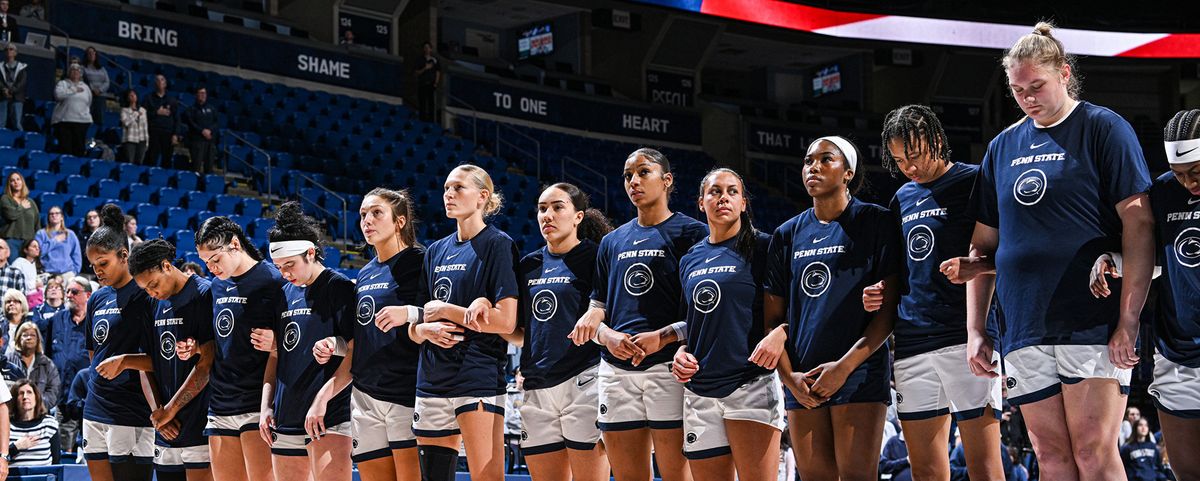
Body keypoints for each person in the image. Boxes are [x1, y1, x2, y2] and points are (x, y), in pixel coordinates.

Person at [960, 22, 1154, 480]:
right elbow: (983, 246)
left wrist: (1129, 319)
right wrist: (976, 330)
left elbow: (1140, 224)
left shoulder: (1104, 128)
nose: (1027, 97)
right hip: (1023, 322)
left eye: (1037, 85)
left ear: (1065, 73)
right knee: (1050, 456)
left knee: (1093, 451)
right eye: (1017, 89)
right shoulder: (1002, 146)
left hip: (1090, 316)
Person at [867, 105, 1005, 480]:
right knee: (925, 469)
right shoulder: (901, 198)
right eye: (899, 160)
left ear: (936, 139)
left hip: (965, 337)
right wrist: (880, 291)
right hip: (911, 341)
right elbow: (902, 270)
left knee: (985, 466)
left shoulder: (975, 181)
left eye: (913, 155)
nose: (909, 167)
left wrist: (976, 266)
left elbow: (1009, 251)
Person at [753, 136, 900, 481]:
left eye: (825, 160)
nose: (813, 167)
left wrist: (844, 368)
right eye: (807, 161)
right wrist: (790, 381)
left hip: (858, 371)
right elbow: (773, 321)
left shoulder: (875, 221)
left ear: (848, 173)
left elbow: (889, 311)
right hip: (802, 376)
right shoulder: (787, 234)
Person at [566, 148, 706, 481]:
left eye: (644, 172)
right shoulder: (611, 242)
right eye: (628, 175)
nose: (634, 181)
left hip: (670, 368)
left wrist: (665, 336)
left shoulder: (693, 234)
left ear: (667, 180)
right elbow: (597, 310)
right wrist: (608, 336)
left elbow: (704, 312)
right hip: (616, 372)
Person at [1091, 108, 1200, 480]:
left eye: (1196, 172)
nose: (1188, 182)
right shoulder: (1164, 192)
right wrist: (1115, 260)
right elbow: (1154, 259)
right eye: (1180, 173)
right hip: (1178, 352)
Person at [668, 168, 783, 481]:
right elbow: (689, 322)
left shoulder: (765, 248)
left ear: (744, 203)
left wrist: (781, 334)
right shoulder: (689, 258)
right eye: (715, 192)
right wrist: (681, 352)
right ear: (701, 203)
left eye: (732, 192)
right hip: (700, 390)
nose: (723, 198)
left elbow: (793, 309)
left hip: (750, 384)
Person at [410, 164, 519, 481]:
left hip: (476, 375)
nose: (449, 194)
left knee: (486, 475)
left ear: (482, 196)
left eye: (458, 188)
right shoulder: (435, 251)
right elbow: (416, 325)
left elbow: (507, 321)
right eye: (446, 188)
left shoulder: (498, 245)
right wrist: (424, 330)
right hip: (430, 379)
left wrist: (446, 310)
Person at [307, 188, 423, 481]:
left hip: (408, 394)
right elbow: (361, 343)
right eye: (362, 215)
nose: (367, 221)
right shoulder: (366, 274)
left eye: (376, 213)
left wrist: (411, 314)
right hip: (365, 397)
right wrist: (328, 388)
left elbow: (436, 315)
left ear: (399, 221)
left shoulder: (422, 262)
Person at [506, 182, 611, 481]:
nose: (547, 215)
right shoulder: (529, 265)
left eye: (557, 207)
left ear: (578, 216)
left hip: (584, 382)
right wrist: (496, 325)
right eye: (542, 209)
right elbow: (525, 332)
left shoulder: (597, 258)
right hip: (537, 387)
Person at [251, 202, 353, 481]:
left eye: (290, 265)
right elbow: (275, 355)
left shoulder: (339, 287)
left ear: (311, 252)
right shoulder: (283, 293)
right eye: (280, 267)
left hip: (328, 413)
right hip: (286, 415)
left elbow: (354, 348)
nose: (285, 273)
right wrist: (266, 407)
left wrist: (335, 346)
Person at [101, 238, 215, 481]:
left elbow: (206, 365)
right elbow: (150, 364)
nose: (152, 292)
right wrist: (158, 414)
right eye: (146, 289)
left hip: (199, 421)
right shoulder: (152, 303)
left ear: (166, 266)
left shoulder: (204, 294)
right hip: (165, 427)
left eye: (153, 284)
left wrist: (170, 410)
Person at [182, 215, 282, 481]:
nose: (212, 267)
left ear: (235, 244)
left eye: (215, 259)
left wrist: (278, 343)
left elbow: (297, 339)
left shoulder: (273, 280)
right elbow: (218, 341)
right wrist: (195, 347)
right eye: (206, 262)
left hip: (257, 404)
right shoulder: (216, 286)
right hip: (220, 405)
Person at [82, 204, 155, 481]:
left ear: (124, 256)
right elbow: (94, 353)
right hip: (95, 406)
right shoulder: (97, 298)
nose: (98, 272)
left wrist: (124, 363)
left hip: (133, 410)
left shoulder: (146, 295)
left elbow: (159, 358)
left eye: (103, 264)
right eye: (93, 266)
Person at [45, 276, 90, 452]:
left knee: (91, 454)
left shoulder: (96, 322)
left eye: (74, 292)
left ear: (88, 295)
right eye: (68, 291)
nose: (69, 295)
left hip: (90, 400)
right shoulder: (56, 321)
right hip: (63, 400)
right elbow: (47, 357)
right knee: (64, 453)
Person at [7, 321, 59, 407]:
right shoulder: (8, 360)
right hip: (12, 412)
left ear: (38, 340)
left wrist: (36, 404)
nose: (29, 338)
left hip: (40, 414)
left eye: (32, 335)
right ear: (19, 339)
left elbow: (53, 391)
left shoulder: (47, 364)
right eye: (25, 335)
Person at [7, 380, 58, 466]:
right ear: (14, 399)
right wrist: (16, 447)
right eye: (21, 393)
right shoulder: (5, 425)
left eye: (29, 392)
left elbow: (56, 461)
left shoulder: (49, 424)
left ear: (36, 397)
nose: (25, 396)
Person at [52, 63, 93, 157]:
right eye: (73, 69)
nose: (75, 72)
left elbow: (89, 102)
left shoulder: (86, 87)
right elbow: (58, 96)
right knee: (66, 149)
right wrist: (73, 90)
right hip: (64, 121)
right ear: (69, 72)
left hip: (81, 122)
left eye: (78, 70)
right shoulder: (62, 84)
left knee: (79, 149)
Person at [36, 206, 82, 283]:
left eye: (57, 213)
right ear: (48, 217)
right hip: (47, 274)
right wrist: (55, 241)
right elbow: (38, 252)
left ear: (62, 217)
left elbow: (76, 255)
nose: (54, 215)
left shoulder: (70, 234)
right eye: (51, 214)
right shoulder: (41, 233)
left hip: (67, 274)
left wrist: (74, 272)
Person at [2, 172, 38, 266]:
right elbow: (11, 215)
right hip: (12, 241)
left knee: (27, 269)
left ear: (22, 182)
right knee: (15, 268)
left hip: (28, 243)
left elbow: (36, 223)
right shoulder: (5, 199)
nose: (16, 182)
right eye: (12, 180)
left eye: (18, 179)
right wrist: (21, 207)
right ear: (9, 184)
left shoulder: (30, 202)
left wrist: (35, 242)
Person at [144, 75, 180, 169]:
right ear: (155, 83)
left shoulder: (172, 100)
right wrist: (156, 112)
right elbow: (143, 115)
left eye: (162, 79)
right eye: (157, 80)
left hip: (168, 133)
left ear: (165, 83)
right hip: (153, 131)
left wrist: (175, 134)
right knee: (151, 158)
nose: (160, 82)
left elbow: (177, 119)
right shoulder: (148, 98)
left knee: (167, 160)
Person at [183, 86, 218, 174]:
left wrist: (209, 130)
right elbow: (191, 123)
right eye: (201, 93)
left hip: (210, 141)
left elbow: (216, 122)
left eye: (204, 93)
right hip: (197, 141)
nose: (203, 95)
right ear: (196, 95)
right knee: (196, 166)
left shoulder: (212, 108)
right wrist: (202, 131)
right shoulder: (191, 109)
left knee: (209, 167)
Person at [0, 43, 26, 131]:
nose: (8, 51)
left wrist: (11, 91)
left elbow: (21, 83)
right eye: (6, 49)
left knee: (17, 123)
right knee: (1, 122)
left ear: (15, 53)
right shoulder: (1, 66)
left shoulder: (21, 67)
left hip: (17, 97)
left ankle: (21, 142)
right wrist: (4, 90)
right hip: (3, 96)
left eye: (11, 49)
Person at [82, 47, 110, 128]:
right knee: (88, 118)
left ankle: (98, 138)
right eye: (89, 53)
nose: (91, 54)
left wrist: (100, 90)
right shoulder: (83, 67)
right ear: (86, 55)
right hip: (89, 96)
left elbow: (107, 82)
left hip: (101, 96)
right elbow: (84, 80)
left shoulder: (102, 69)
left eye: (93, 52)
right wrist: (93, 90)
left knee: (100, 119)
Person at [120, 89, 149, 165]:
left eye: (134, 94)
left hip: (142, 139)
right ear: (127, 98)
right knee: (130, 161)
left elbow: (145, 127)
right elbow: (126, 123)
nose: (133, 96)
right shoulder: (124, 110)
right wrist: (135, 114)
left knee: (139, 162)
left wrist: (147, 142)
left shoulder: (143, 110)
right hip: (130, 139)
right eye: (130, 95)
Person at [415, 42, 440, 122]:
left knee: (431, 103)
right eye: (425, 47)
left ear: (431, 49)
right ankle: (422, 119)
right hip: (422, 83)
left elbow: (438, 72)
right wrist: (425, 68)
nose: (427, 49)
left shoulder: (435, 60)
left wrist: (436, 82)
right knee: (422, 102)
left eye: (428, 47)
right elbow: (417, 72)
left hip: (431, 84)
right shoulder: (419, 59)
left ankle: (431, 120)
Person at [80, 210, 100, 276]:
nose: (92, 219)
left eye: (94, 217)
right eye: (89, 217)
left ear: (100, 218)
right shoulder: (81, 236)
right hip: (85, 272)